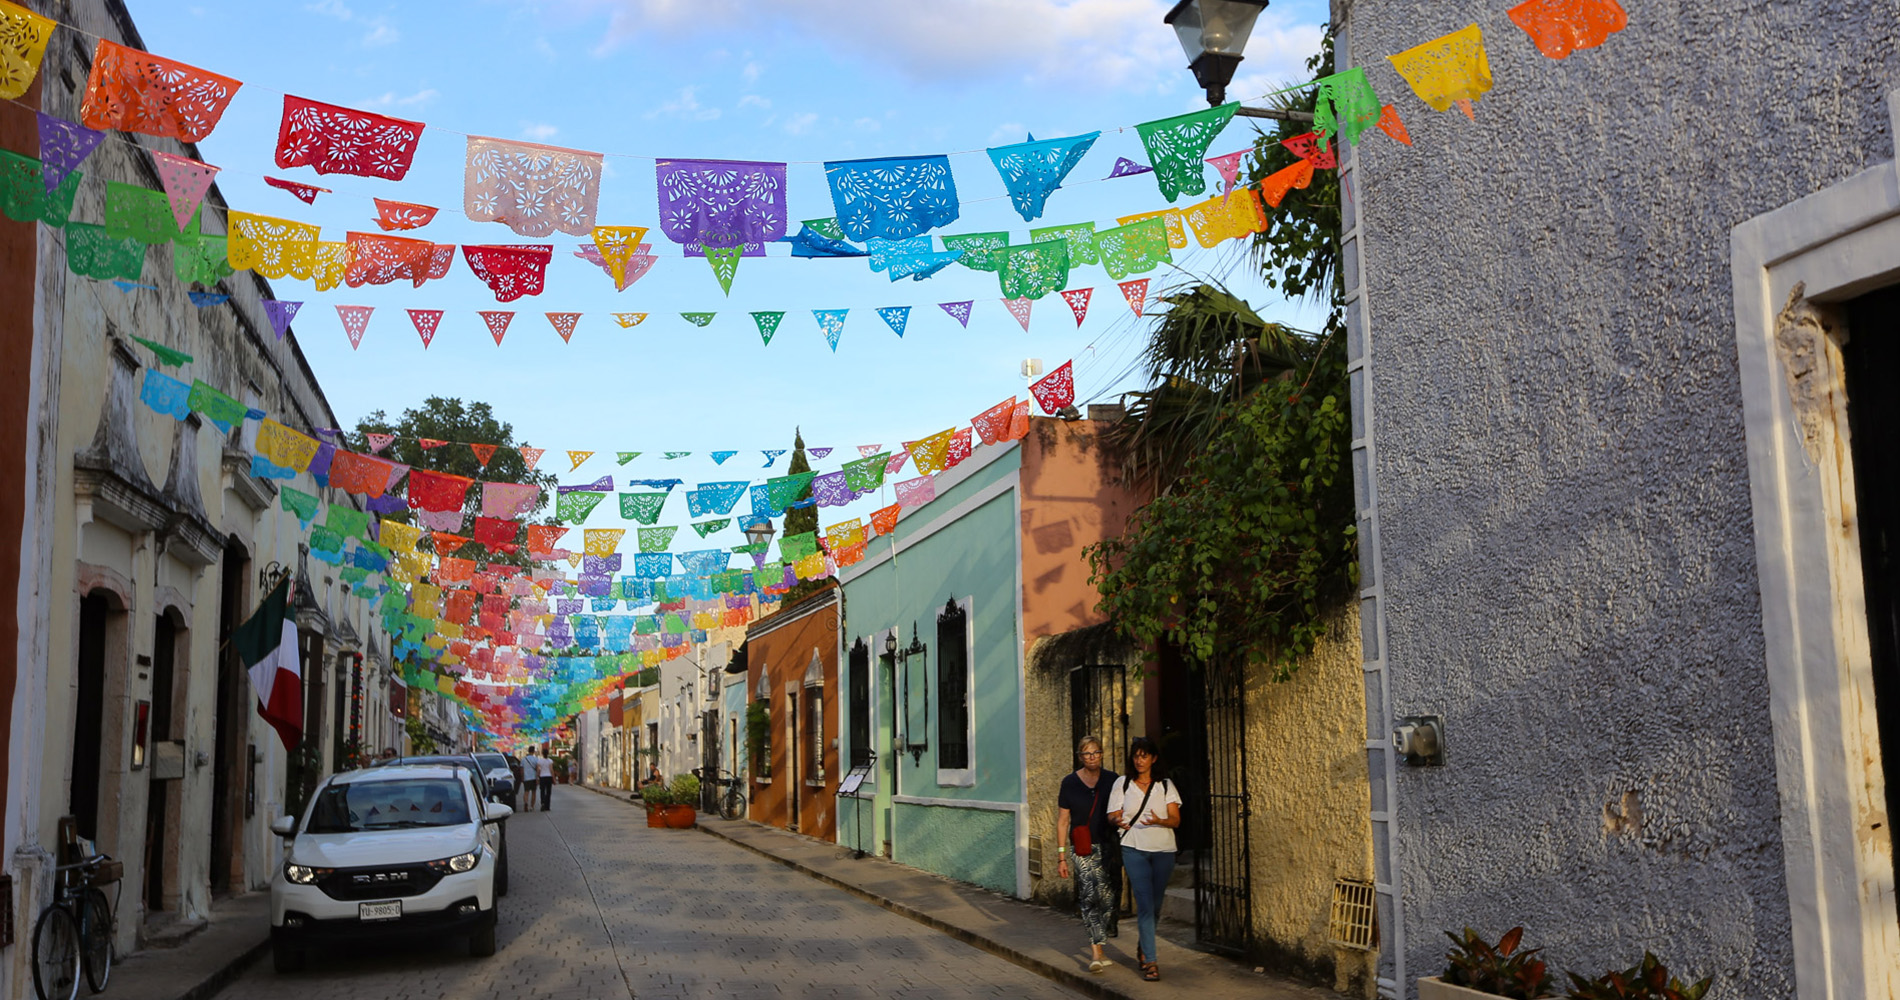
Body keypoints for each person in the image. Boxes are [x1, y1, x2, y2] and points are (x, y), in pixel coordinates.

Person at [1109, 736, 1183, 982]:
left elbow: (1175, 820)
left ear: (1153, 758)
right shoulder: (1123, 783)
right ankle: (1151, 961)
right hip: (1133, 847)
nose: (1140, 760)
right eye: (1136, 755)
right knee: (1144, 903)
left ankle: (1143, 946)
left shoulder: (1165, 785)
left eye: (1144, 755)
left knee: (1156, 905)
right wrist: (1117, 820)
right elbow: (1113, 814)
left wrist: (1160, 821)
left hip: (1163, 849)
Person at [1056, 735, 1120, 974]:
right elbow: (1063, 821)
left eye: (1096, 752)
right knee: (1090, 894)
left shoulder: (1113, 780)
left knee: (1108, 897)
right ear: (1080, 757)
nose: (1092, 757)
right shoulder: (1069, 783)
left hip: (1108, 847)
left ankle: (1100, 945)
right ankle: (1095, 952)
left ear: (1101, 754)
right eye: (1087, 753)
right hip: (1082, 848)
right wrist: (1062, 856)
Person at [536, 744, 555, 811]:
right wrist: (554, 779)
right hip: (549, 777)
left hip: (542, 777)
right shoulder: (550, 761)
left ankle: (543, 803)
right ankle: (547, 806)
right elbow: (551, 770)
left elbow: (538, 770)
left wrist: (537, 778)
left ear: (542, 753)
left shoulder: (539, 761)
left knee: (542, 791)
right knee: (548, 792)